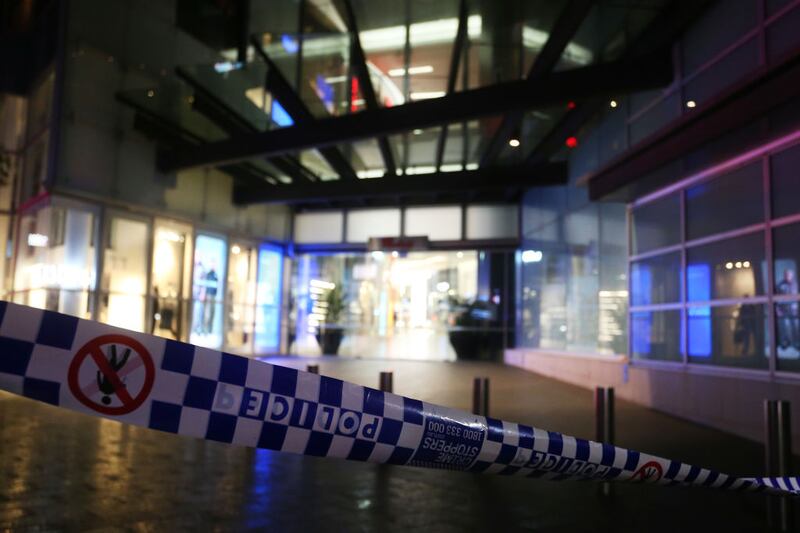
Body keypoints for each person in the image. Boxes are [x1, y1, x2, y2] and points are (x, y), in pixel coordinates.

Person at [776, 268, 800, 351]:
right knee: (783, 327)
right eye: (786, 274)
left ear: (792, 275)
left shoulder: (796, 284)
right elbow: (776, 298)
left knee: (795, 327)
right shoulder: (780, 285)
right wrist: (778, 309)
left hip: (794, 310)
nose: (787, 276)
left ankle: (796, 343)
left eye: (789, 274)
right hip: (783, 309)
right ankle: (784, 343)